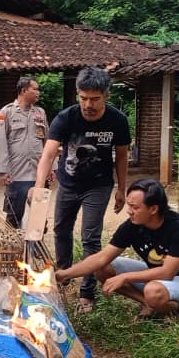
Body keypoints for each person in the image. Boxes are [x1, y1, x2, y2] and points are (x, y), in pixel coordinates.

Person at [31, 67, 130, 307]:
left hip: (99, 185)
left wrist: (121, 189)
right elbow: (48, 155)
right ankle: (63, 275)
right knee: (61, 229)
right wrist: (38, 187)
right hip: (68, 183)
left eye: (94, 99)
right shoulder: (66, 118)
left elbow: (122, 156)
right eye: (83, 98)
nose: (88, 104)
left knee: (90, 238)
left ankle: (87, 294)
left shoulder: (117, 120)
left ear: (106, 96)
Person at [56, 178, 179, 318]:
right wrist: (64, 274)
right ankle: (148, 303)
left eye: (135, 207)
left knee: (153, 291)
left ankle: (172, 309)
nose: (129, 212)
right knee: (103, 268)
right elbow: (101, 258)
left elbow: (167, 273)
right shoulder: (132, 226)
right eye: (129, 205)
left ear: (153, 209)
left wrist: (125, 277)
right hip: (156, 276)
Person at [0, 76, 49, 228]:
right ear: (24, 90)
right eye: (35, 89)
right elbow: (1, 142)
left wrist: (53, 167)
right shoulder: (6, 113)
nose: (38, 92)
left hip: (38, 173)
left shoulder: (40, 113)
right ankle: (10, 250)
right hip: (16, 174)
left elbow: (48, 141)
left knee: (39, 217)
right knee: (14, 218)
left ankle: (36, 250)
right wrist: (3, 171)